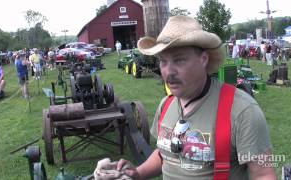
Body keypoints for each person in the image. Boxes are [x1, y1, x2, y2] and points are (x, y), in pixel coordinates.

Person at [116, 16, 276, 179]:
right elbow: (165, 154)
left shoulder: (242, 111)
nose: (169, 72)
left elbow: (264, 174)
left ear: (203, 59)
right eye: (163, 61)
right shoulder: (166, 104)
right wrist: (137, 173)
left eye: (179, 60)